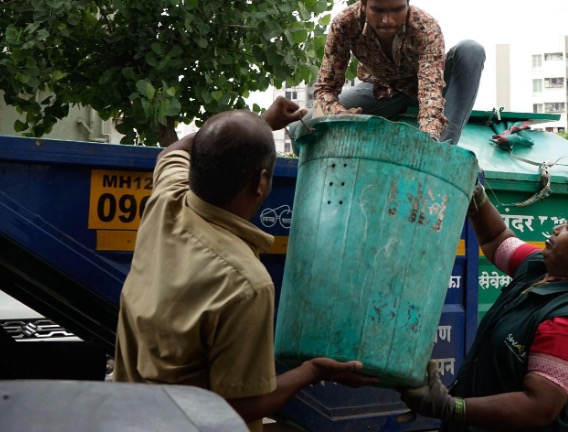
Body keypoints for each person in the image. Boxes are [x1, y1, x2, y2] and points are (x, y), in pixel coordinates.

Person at [114, 97, 377, 431]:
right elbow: (238, 405)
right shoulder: (245, 284)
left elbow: (173, 151)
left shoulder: (167, 201)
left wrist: (260, 123)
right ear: (261, 182)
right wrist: (313, 372)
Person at [400, 186, 568, 431]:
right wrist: (477, 197)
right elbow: (496, 239)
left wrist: (453, 407)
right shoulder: (540, 269)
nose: (556, 229)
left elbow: (539, 407)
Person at [311, 0, 485, 145]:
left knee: (471, 50)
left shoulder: (426, 28)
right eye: (378, 10)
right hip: (381, 91)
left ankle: (443, 151)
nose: (388, 21)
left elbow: (430, 93)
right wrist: (339, 114)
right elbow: (326, 89)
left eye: (397, 10)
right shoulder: (345, 24)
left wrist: (428, 140)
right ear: (363, 3)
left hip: (428, 90)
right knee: (300, 128)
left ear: (408, 2)